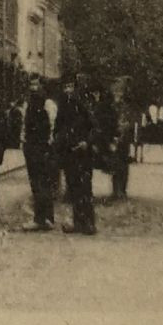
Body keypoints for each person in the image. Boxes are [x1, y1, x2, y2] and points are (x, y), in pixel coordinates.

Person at [56, 78, 98, 235]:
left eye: (71, 87)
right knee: (73, 189)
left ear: (76, 89)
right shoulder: (63, 107)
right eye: (65, 87)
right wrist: (61, 142)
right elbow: (58, 129)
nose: (68, 90)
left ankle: (89, 223)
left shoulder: (84, 106)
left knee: (85, 188)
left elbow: (94, 128)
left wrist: (87, 142)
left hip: (83, 154)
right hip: (70, 154)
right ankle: (77, 222)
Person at [19, 77, 58, 232]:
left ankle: (42, 219)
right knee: (37, 183)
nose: (34, 87)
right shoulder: (28, 105)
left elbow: (53, 125)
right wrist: (24, 142)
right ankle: (44, 217)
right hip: (32, 147)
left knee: (42, 183)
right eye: (32, 84)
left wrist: (49, 145)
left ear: (42, 86)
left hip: (42, 148)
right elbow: (24, 125)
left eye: (37, 84)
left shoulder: (48, 105)